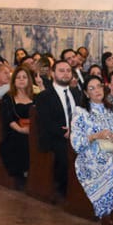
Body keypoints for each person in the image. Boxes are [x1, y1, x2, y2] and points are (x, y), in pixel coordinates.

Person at [70, 79, 113, 217]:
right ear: (87, 93)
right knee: (112, 164)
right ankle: (108, 210)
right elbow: (76, 143)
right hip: (90, 155)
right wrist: (96, 135)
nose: (97, 90)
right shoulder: (80, 112)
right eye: (92, 88)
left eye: (99, 86)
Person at [34, 59, 87, 198]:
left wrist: (76, 131)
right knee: (65, 155)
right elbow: (46, 122)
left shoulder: (77, 93)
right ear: (53, 73)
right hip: (55, 138)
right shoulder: (44, 96)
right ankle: (67, 191)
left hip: (75, 135)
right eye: (61, 71)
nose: (65, 74)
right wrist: (65, 132)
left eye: (68, 71)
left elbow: (83, 116)